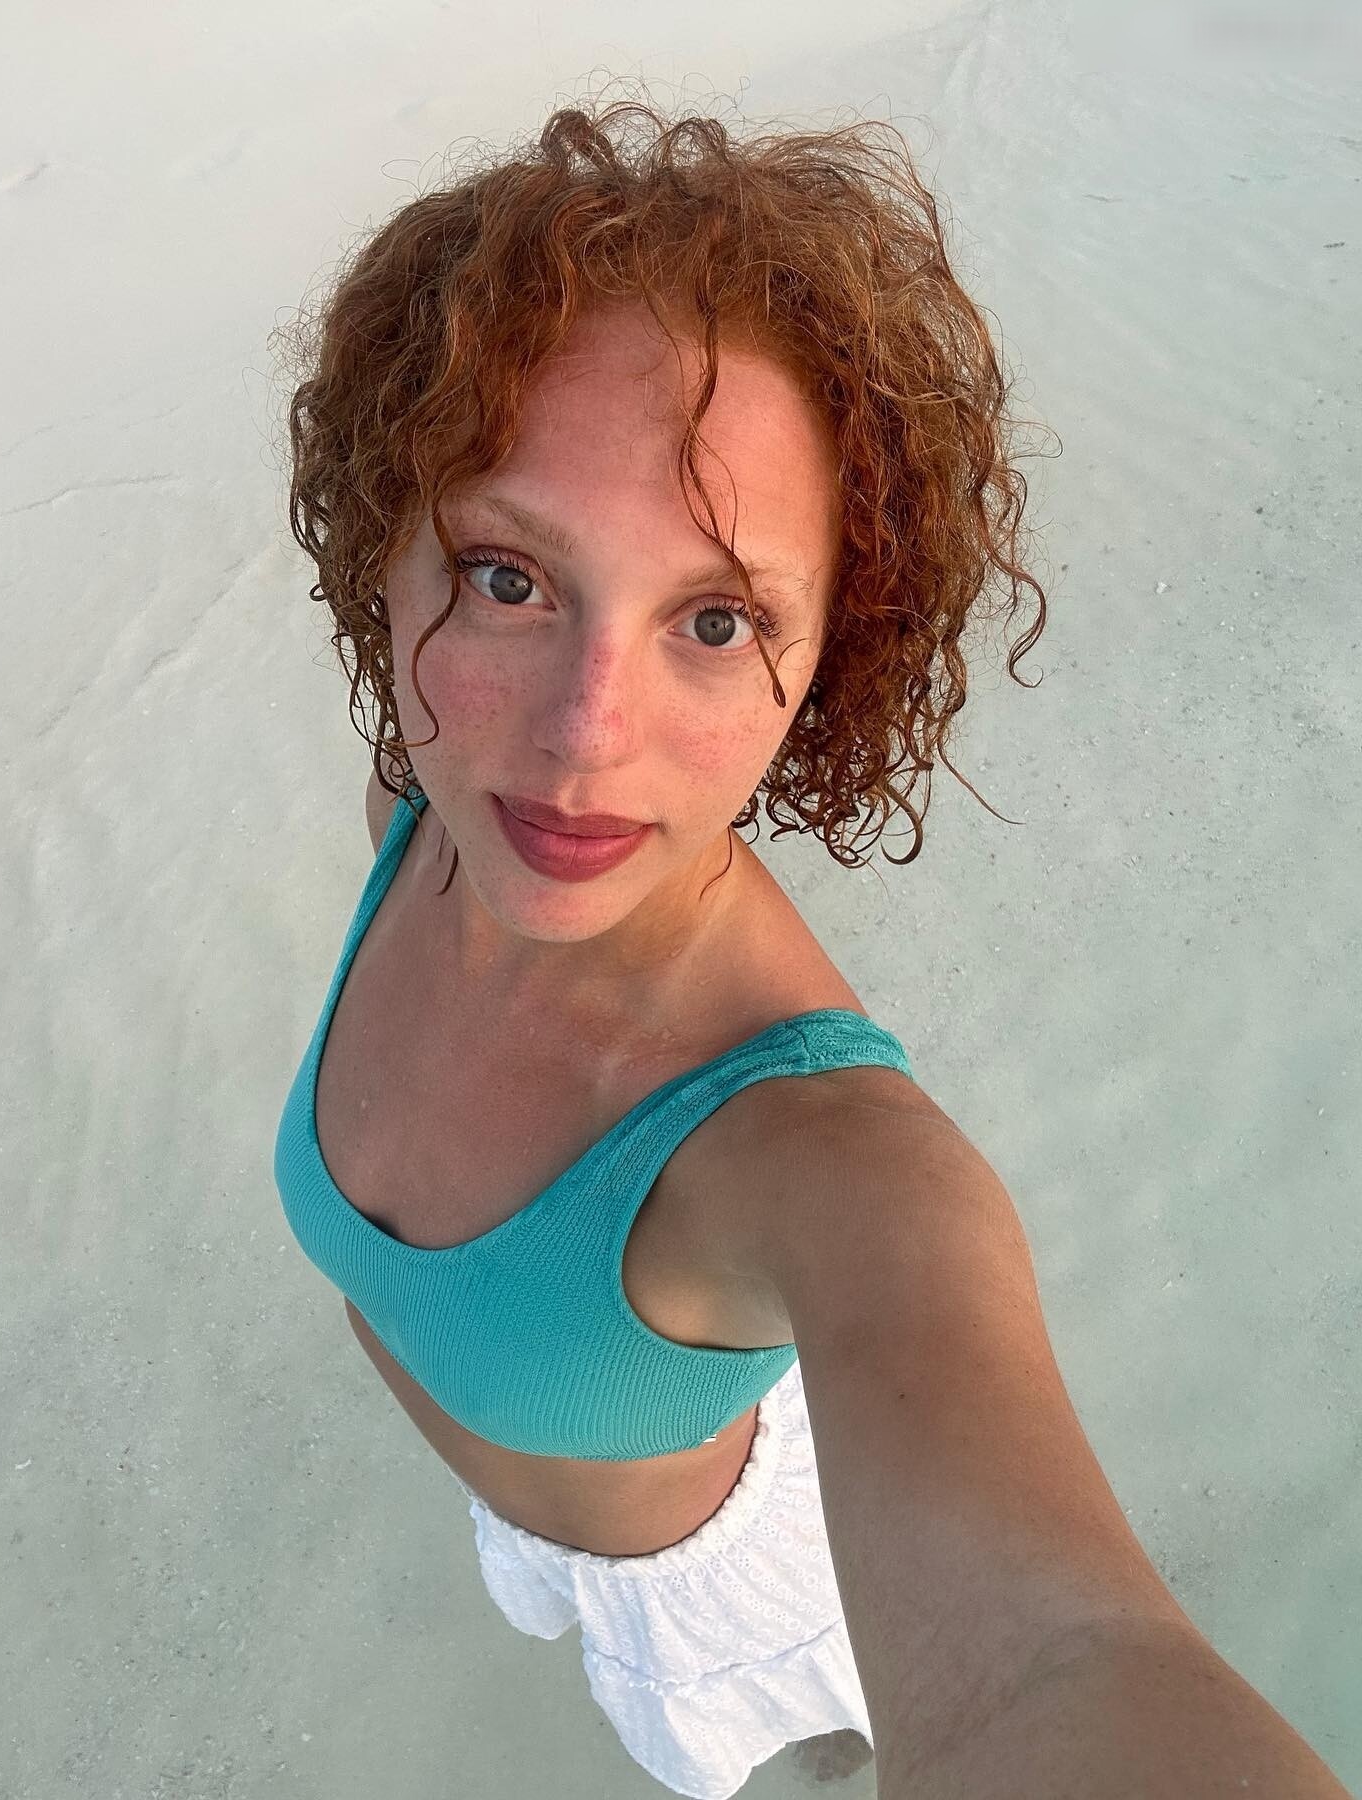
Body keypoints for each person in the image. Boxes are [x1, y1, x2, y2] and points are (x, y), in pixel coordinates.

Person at [270, 89, 1351, 1800]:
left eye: (716, 619)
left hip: (721, 1608)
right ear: (380, 559)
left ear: (836, 655)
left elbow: (1068, 1663)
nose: (582, 737)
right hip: (529, 1506)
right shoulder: (423, 800)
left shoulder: (836, 1168)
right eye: (506, 578)